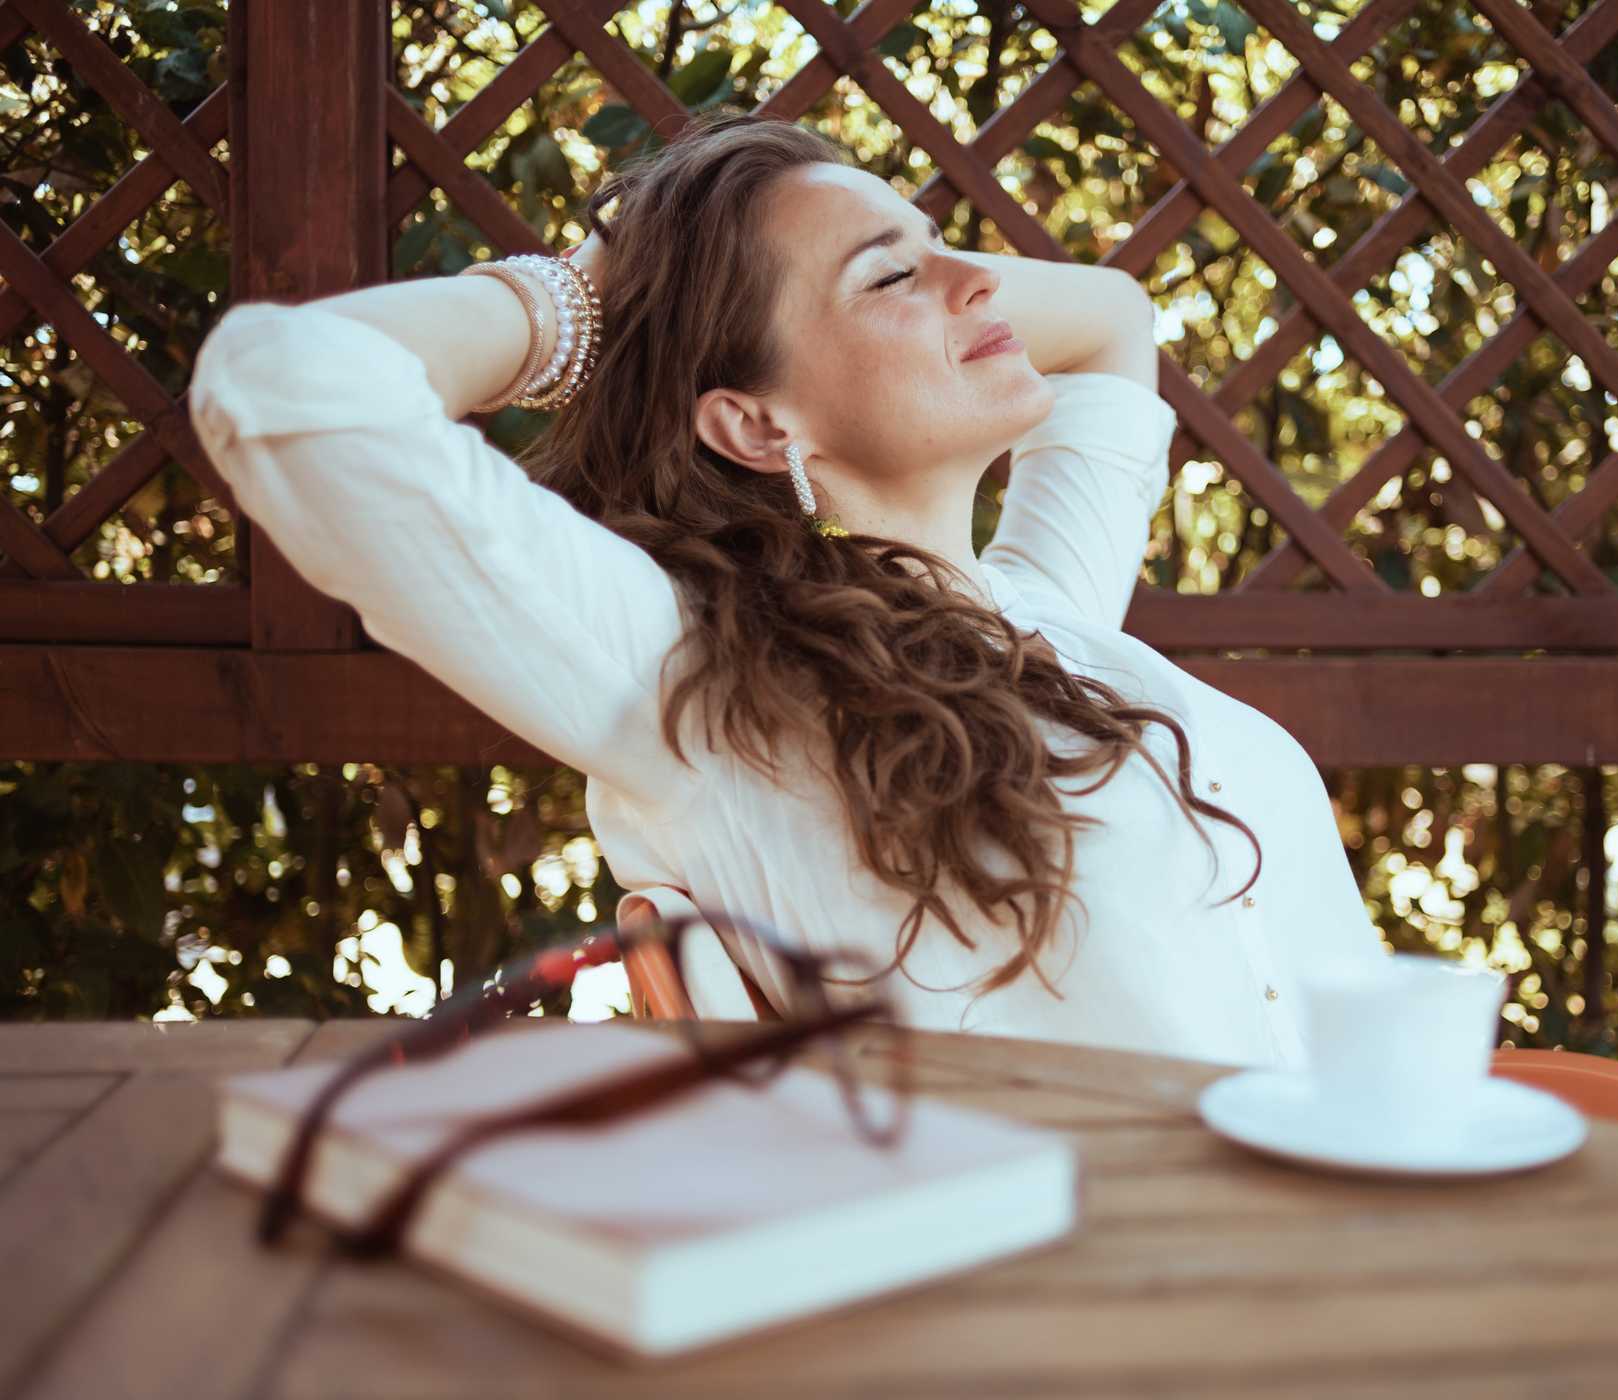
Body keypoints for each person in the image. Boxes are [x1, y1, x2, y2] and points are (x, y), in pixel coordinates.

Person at [188, 110, 1384, 1069]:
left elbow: (1115, 317)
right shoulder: (686, 677)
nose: (981, 283)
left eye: (946, 247)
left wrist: (891, 259)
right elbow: (286, 387)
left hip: (1366, 1248)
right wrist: (583, 299)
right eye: (890, 278)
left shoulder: (1054, 613)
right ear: (753, 422)